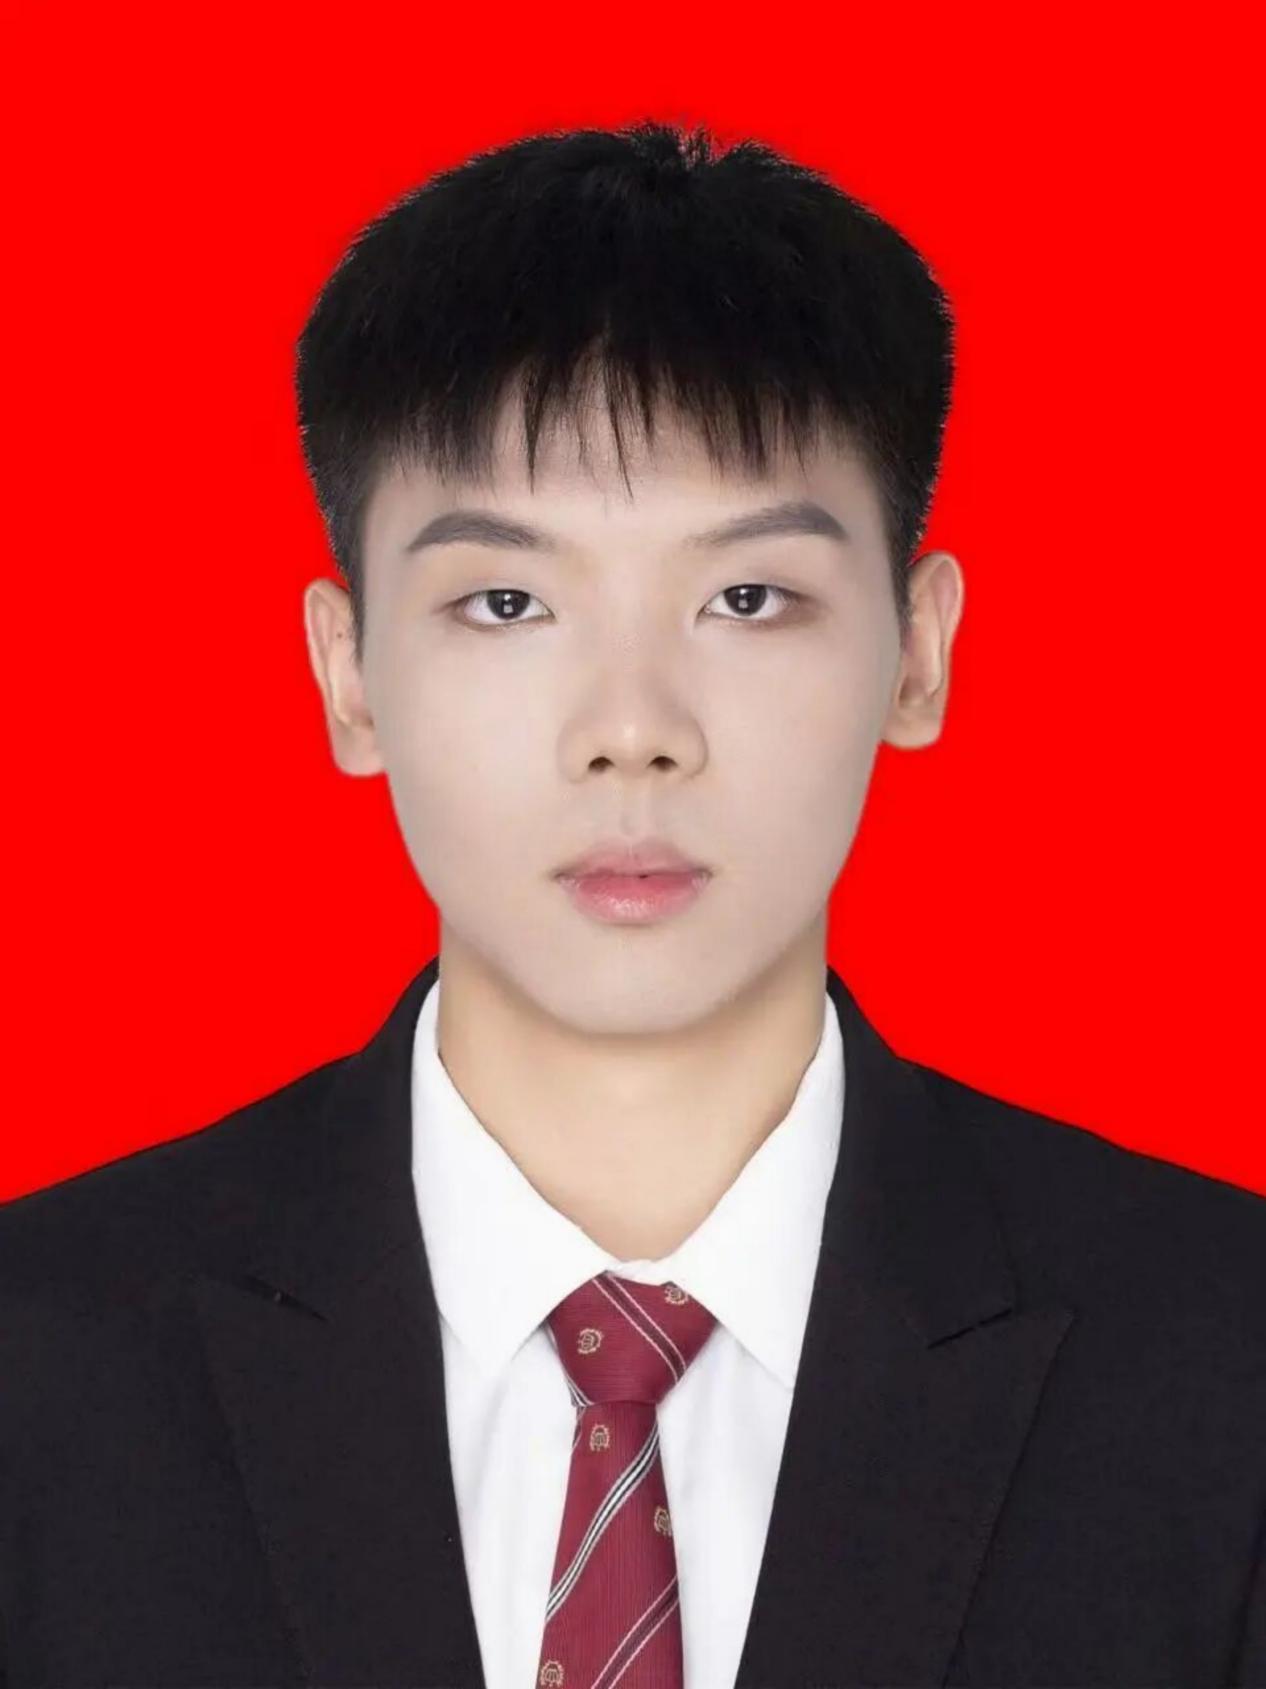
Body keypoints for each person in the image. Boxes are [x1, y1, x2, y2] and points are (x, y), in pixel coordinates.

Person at [2, 118, 1264, 1689]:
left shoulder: (1222, 1360)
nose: (629, 726)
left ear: (918, 651)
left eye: (746, 597)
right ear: (347, 675)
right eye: (505, 601)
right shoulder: (40, 1365)